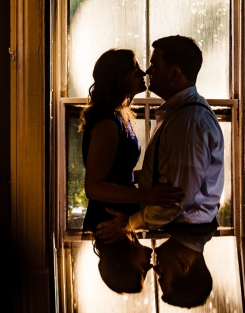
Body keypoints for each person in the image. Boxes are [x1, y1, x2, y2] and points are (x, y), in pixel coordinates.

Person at [95, 36, 224, 239]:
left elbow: (176, 198)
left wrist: (130, 224)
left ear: (174, 73)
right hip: (174, 227)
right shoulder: (179, 115)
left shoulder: (186, 122)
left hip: (183, 231)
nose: (147, 71)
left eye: (154, 65)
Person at [79, 48, 182, 293]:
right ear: (118, 76)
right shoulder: (106, 124)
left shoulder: (117, 118)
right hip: (108, 215)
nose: (143, 72)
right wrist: (147, 194)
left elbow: (117, 173)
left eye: (141, 271)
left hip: (111, 215)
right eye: (134, 68)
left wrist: (150, 180)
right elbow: (93, 187)